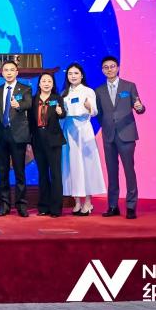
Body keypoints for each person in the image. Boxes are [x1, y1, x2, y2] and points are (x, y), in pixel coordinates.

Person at [95, 55, 146, 220]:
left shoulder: (129, 86)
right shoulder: (99, 91)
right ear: (102, 70)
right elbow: (99, 114)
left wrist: (139, 107)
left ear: (117, 68)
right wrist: (107, 124)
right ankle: (112, 206)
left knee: (129, 171)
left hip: (126, 134)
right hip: (109, 135)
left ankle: (131, 206)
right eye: (106, 67)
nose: (109, 69)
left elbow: (139, 107)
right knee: (111, 172)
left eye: (112, 66)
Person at [60, 63, 105, 216]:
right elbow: (62, 115)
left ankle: (88, 202)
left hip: (83, 130)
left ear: (82, 75)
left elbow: (94, 111)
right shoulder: (64, 93)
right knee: (72, 165)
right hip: (69, 130)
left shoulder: (88, 91)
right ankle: (77, 202)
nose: (73, 76)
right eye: (70, 73)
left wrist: (89, 107)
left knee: (86, 165)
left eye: (76, 73)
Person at [0, 60, 33, 217]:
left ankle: (21, 205)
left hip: (18, 136)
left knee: (19, 173)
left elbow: (28, 103)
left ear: (17, 72)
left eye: (11, 70)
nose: (8, 72)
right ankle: (4, 205)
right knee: (2, 173)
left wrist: (18, 105)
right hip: (1, 137)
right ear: (2, 73)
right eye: (6, 70)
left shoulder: (25, 89)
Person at [29, 72, 66, 218]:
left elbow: (63, 114)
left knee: (55, 174)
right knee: (43, 174)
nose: (46, 83)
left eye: (49, 81)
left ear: (53, 84)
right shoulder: (33, 100)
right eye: (43, 81)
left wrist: (60, 112)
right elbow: (30, 121)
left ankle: (56, 208)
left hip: (54, 140)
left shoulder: (57, 98)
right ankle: (44, 207)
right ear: (39, 84)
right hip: (38, 139)